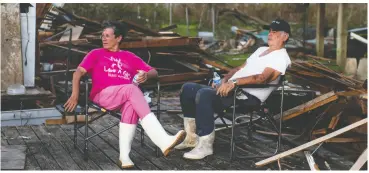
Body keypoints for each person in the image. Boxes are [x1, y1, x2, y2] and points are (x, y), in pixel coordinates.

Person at [63, 21, 185, 168]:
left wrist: (146, 75)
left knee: (131, 104)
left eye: (107, 36)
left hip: (125, 96)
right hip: (102, 95)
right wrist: (75, 95)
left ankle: (124, 157)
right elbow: (78, 73)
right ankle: (162, 140)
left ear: (118, 38)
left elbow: (154, 71)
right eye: (102, 36)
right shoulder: (96, 54)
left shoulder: (129, 57)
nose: (104, 38)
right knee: (132, 89)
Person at [175, 19, 292, 160]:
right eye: (270, 31)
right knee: (188, 88)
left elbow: (263, 78)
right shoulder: (261, 50)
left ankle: (205, 146)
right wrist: (225, 80)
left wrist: (234, 83)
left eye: (275, 32)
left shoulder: (281, 57)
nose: (270, 34)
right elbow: (238, 68)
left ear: (285, 37)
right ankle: (191, 138)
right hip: (233, 90)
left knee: (204, 94)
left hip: (247, 98)